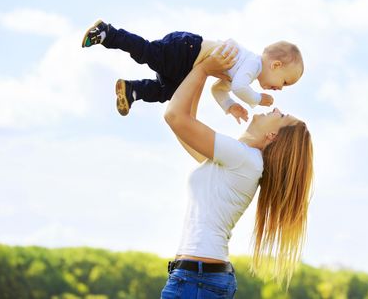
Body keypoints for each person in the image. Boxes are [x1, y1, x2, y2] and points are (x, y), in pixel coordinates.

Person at [160, 44, 313, 298]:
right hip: (198, 278)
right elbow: (185, 124)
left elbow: (175, 116)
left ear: (272, 135)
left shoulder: (243, 159)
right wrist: (204, 72)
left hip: (196, 280)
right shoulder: (241, 160)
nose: (275, 108)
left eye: (281, 114)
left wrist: (204, 67)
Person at [81, 20, 304, 122]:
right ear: (276, 65)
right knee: (148, 53)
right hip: (187, 51)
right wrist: (257, 99)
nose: (280, 89)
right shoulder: (253, 65)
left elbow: (219, 89)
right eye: (284, 82)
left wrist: (230, 106)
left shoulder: (243, 72)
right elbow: (238, 87)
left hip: (188, 65)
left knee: (169, 92)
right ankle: (108, 34)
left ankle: (132, 90)